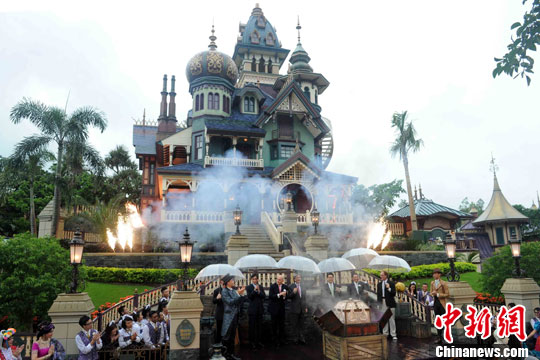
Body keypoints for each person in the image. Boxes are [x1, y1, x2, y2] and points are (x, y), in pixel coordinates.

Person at [220, 274, 246, 360]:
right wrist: (239, 295)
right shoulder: (224, 291)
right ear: (228, 282)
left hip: (235, 315)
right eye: (232, 280)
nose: (233, 282)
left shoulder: (233, 290)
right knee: (226, 336)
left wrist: (241, 295)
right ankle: (224, 355)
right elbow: (230, 302)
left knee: (232, 336)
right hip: (228, 317)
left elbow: (238, 302)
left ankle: (231, 354)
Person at [246, 274, 265, 350]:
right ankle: (252, 342)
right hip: (252, 310)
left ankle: (258, 341)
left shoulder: (260, 287)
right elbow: (249, 297)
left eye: (256, 279)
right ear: (251, 280)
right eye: (253, 279)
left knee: (259, 327)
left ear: (258, 280)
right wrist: (254, 291)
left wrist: (259, 292)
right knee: (252, 327)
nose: (255, 280)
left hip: (259, 309)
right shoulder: (249, 287)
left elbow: (263, 296)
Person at [269, 275, 289, 348]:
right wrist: (279, 294)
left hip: (281, 309)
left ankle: (281, 340)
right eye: (277, 279)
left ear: (282, 280)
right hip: (274, 309)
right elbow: (270, 296)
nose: (278, 281)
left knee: (281, 325)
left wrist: (284, 296)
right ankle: (274, 341)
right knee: (274, 326)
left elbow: (286, 297)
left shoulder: (285, 286)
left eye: (280, 279)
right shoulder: (272, 286)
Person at [376, 271, 397, 341]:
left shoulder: (391, 283)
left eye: (382, 275)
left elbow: (394, 293)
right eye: (380, 275)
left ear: (386, 276)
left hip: (390, 303)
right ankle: (385, 333)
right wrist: (378, 304)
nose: (381, 277)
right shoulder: (379, 284)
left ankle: (393, 334)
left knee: (391, 318)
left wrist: (389, 288)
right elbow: (378, 295)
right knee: (384, 318)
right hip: (382, 301)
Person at [430, 268, 449, 344]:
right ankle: (439, 337)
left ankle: (445, 336)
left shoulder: (444, 283)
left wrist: (438, 294)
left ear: (439, 274)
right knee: (438, 320)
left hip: (442, 303)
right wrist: (432, 293)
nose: (434, 275)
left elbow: (447, 294)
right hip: (436, 303)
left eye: (436, 273)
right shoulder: (432, 283)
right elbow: (430, 292)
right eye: (433, 273)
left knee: (444, 320)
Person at [288, 274, 308, 345]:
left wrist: (305, 307)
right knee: (295, 325)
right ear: (294, 279)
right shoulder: (290, 286)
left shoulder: (303, 286)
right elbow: (288, 297)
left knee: (302, 324)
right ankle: (295, 339)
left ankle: (302, 338)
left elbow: (304, 298)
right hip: (294, 309)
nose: (299, 279)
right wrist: (293, 292)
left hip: (302, 308)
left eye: (300, 277)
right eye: (297, 277)